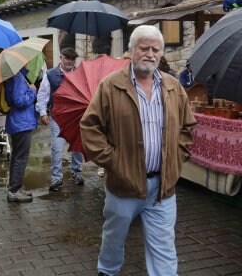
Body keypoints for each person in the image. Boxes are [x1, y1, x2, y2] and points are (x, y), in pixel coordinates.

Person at [80, 25, 196, 276]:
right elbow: (90, 127)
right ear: (131, 50)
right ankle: (107, 270)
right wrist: (114, 162)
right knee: (114, 236)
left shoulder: (173, 87)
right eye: (144, 48)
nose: (150, 54)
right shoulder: (110, 86)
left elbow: (187, 127)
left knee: (164, 245)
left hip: (162, 186)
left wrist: (176, 159)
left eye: (156, 49)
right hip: (124, 184)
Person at [36, 47, 85, 191]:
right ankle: (56, 178)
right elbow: (42, 94)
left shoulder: (79, 73)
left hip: (76, 116)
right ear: (61, 58)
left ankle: (76, 172)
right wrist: (43, 113)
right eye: (67, 58)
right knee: (57, 148)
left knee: (77, 146)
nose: (69, 61)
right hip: (57, 116)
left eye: (72, 59)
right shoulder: (50, 74)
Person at [4, 66, 37, 203]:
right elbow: (19, 101)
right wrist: (32, 91)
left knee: (17, 156)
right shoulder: (17, 77)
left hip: (17, 122)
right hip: (22, 122)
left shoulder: (14, 76)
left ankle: (14, 187)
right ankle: (14, 191)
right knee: (21, 158)